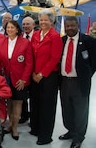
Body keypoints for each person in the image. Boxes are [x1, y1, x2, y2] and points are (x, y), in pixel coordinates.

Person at [59, 16, 96, 148]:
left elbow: (94, 62)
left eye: (72, 25)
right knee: (67, 108)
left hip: (80, 83)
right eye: (67, 26)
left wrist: (85, 75)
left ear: (77, 26)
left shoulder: (88, 41)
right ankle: (71, 130)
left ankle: (79, 137)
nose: (69, 28)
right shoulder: (62, 40)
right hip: (64, 82)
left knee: (81, 111)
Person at [0, 20, 33, 140]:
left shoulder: (25, 43)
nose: (9, 29)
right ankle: (10, 124)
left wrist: (24, 79)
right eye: (8, 27)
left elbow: (29, 64)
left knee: (17, 103)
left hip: (19, 79)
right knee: (9, 103)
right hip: (5, 78)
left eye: (12, 27)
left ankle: (15, 127)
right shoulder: (1, 42)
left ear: (17, 29)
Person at [30, 9, 63, 145]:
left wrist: (41, 74)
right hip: (34, 75)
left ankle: (45, 135)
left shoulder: (55, 37)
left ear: (51, 21)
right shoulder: (36, 34)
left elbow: (55, 58)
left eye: (46, 20)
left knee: (47, 106)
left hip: (48, 76)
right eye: (41, 19)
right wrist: (33, 73)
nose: (43, 22)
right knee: (35, 103)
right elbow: (31, 55)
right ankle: (36, 129)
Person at [19, 16, 35, 124]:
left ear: (33, 25)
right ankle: (24, 115)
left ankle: (34, 117)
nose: (25, 26)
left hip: (35, 72)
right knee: (22, 96)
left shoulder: (38, 36)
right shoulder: (20, 36)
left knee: (34, 97)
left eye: (28, 24)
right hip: (22, 71)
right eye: (24, 24)